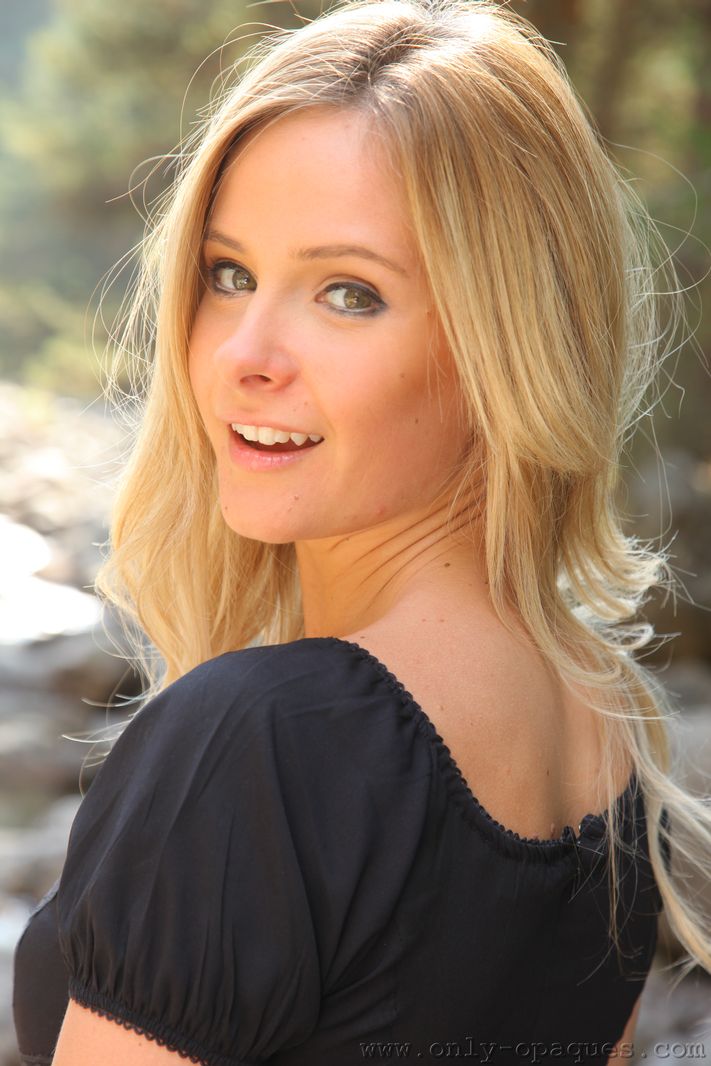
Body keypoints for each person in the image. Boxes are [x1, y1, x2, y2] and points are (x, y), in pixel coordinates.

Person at [12, 0, 711, 1063]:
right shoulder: (600, 725)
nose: (244, 353)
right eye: (228, 274)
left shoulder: (260, 742)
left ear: (504, 347)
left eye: (348, 293)